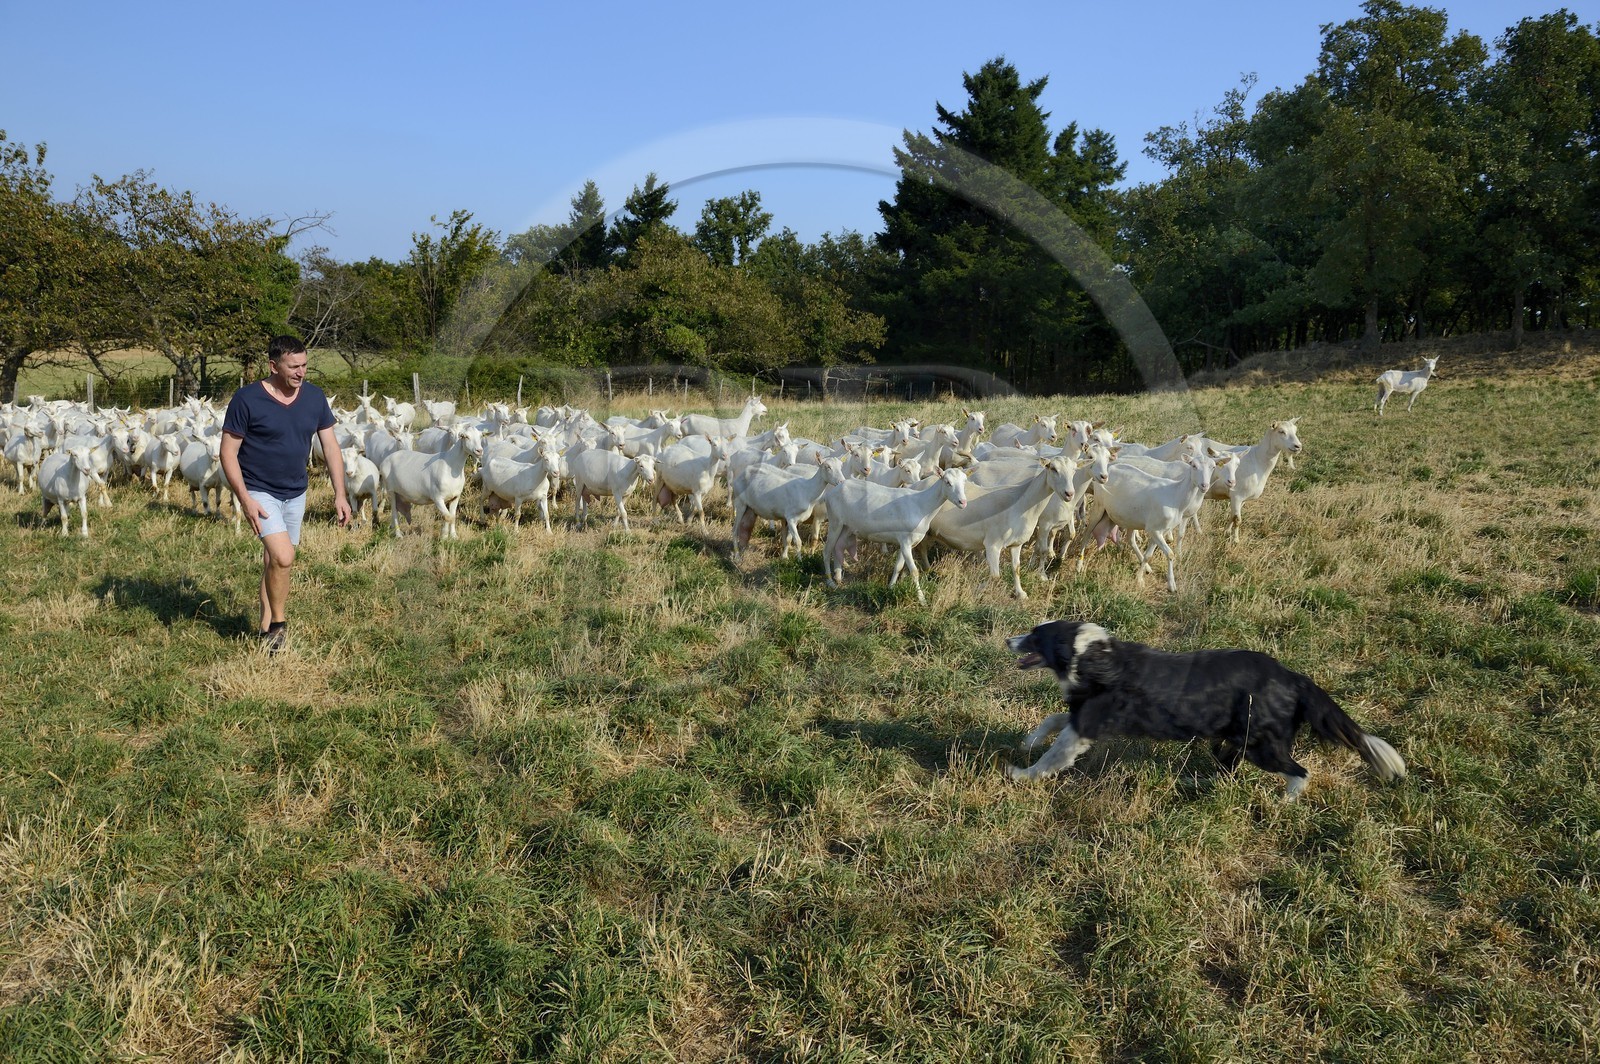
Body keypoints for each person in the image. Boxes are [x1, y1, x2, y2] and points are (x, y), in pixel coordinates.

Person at [220, 335, 352, 652]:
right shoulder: (247, 399)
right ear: (273, 365)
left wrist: (340, 494)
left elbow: (331, 447)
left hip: (295, 492)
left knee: (274, 562)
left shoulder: (314, 398)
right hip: (258, 489)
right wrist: (245, 499)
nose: (301, 372)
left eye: (305, 365)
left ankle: (265, 628)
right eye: (293, 366)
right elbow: (227, 453)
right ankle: (279, 627)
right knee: (284, 557)